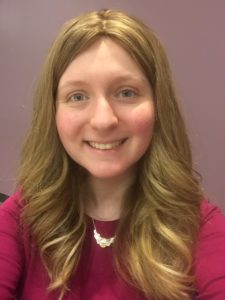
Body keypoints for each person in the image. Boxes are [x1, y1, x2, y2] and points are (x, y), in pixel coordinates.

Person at [0, 8, 224, 300]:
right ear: (53, 112)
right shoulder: (21, 218)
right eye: (77, 96)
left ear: (158, 106)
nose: (103, 120)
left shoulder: (200, 226)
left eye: (126, 92)